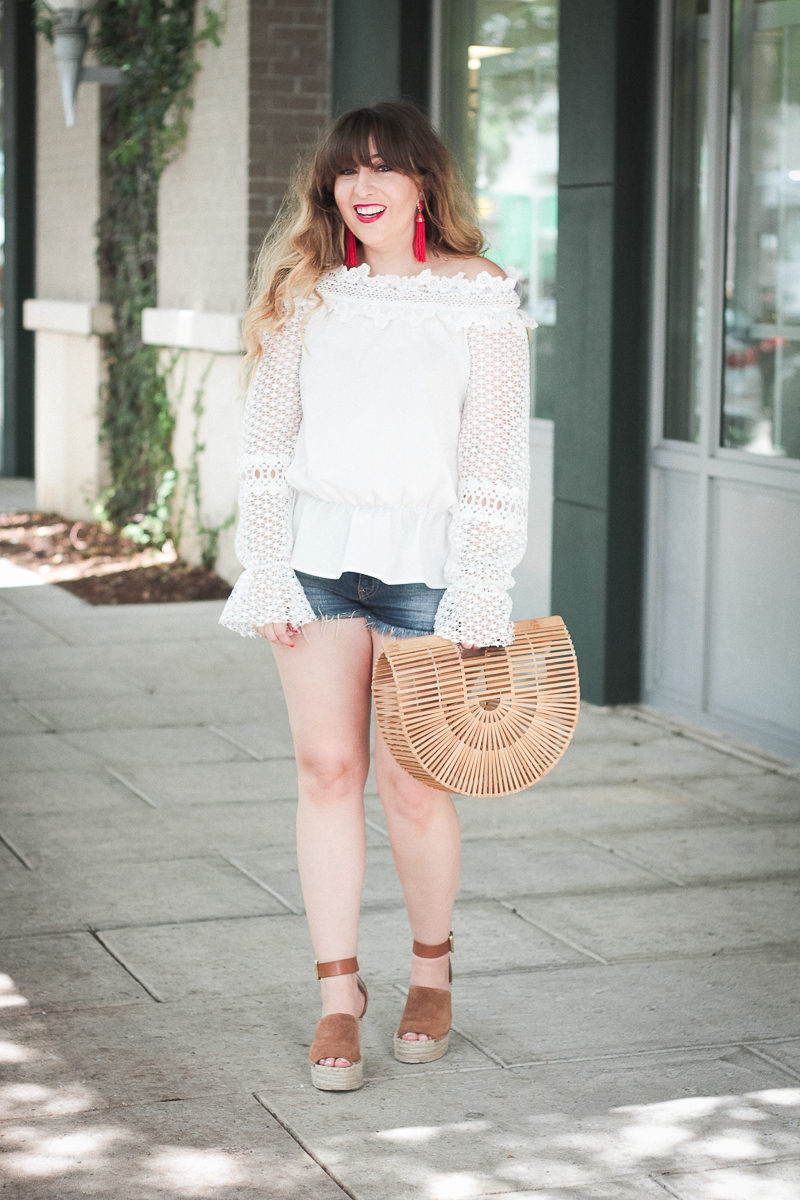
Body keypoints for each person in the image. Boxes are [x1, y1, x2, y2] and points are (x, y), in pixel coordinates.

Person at [220, 100, 531, 1091]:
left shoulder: (478, 298)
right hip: (314, 561)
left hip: (427, 573)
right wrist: (265, 561)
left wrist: (480, 586)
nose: (362, 187)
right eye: (346, 171)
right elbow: (265, 443)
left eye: (382, 167)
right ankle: (335, 994)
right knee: (324, 771)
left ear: (422, 185)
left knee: (411, 783)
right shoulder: (307, 294)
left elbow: (492, 455)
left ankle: (430, 973)